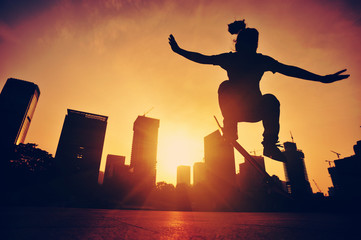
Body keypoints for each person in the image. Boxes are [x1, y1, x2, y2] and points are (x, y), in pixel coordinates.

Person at [168, 20, 349, 162]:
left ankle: (269, 144)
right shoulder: (233, 59)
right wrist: (179, 50)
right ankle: (231, 128)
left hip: (255, 110)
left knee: (270, 99)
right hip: (236, 111)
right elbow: (203, 58)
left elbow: (291, 70)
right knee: (225, 86)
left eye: (255, 45)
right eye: (251, 45)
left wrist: (322, 78)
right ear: (240, 45)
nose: (253, 48)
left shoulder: (260, 60)